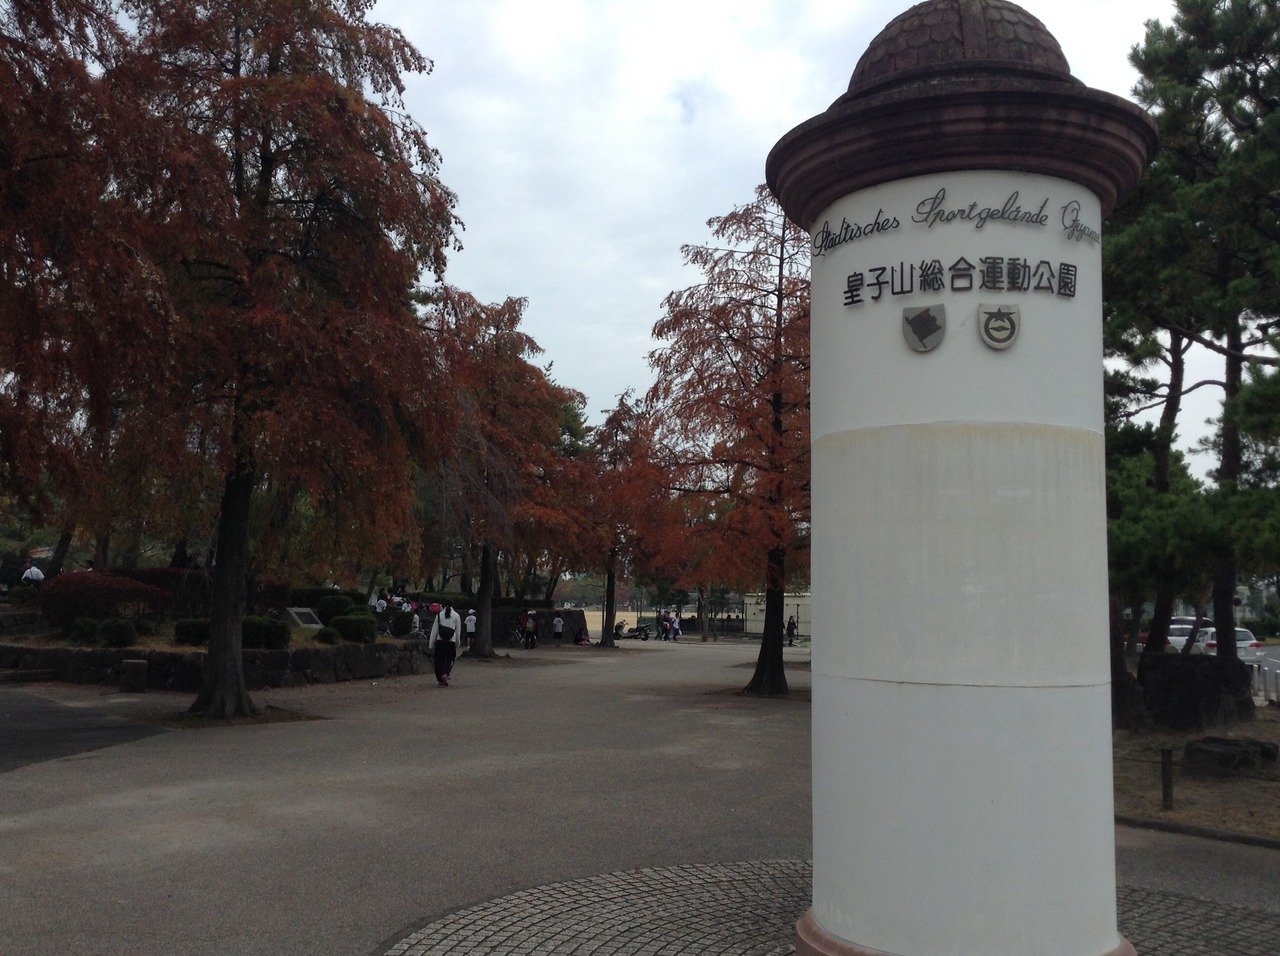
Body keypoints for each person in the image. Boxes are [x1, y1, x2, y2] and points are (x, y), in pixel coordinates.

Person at [428, 602, 463, 687]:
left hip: (440, 640)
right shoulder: (456, 616)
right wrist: (457, 643)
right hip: (451, 641)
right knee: (450, 659)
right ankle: (446, 673)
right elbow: (458, 632)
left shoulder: (439, 615)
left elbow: (434, 630)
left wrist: (431, 643)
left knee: (439, 660)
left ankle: (440, 679)